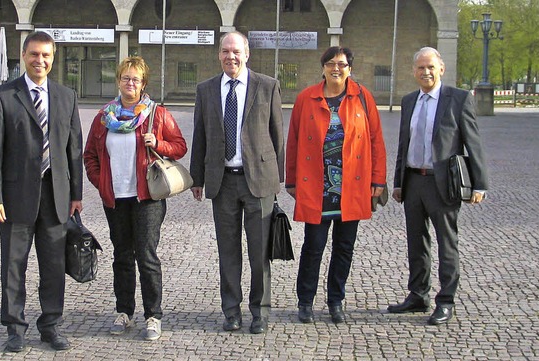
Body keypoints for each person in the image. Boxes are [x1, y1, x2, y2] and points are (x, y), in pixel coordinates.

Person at [0, 31, 82, 352]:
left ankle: (51, 325)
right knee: (13, 265)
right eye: (34, 54)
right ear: (24, 55)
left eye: (46, 56)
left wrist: (76, 194)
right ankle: (15, 328)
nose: (40, 61)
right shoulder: (3, 96)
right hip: (13, 200)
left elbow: (73, 149)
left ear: (53, 59)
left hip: (56, 198)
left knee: (53, 266)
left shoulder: (67, 96)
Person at [84, 56, 187, 341]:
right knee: (121, 255)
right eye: (125, 78)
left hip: (147, 197)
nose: (130, 83)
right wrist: (100, 181)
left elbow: (180, 147)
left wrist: (159, 143)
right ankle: (124, 311)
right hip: (116, 198)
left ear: (143, 84)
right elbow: (90, 155)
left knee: (146, 255)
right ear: (118, 80)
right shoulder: (104, 117)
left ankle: (153, 315)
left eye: (136, 79)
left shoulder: (157, 113)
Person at [189, 31, 284, 334]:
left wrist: (276, 178)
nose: (231, 56)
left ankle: (260, 311)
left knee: (259, 253)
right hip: (223, 183)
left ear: (247, 54)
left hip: (257, 181)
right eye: (225, 51)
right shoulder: (206, 90)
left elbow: (277, 135)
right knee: (227, 252)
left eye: (236, 51)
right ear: (219, 55)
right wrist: (197, 178)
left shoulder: (267, 86)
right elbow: (200, 135)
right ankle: (231, 310)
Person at [285, 46, 387, 324]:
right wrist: (291, 179)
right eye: (331, 63)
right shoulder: (306, 98)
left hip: (351, 187)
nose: (336, 68)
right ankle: (305, 301)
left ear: (349, 69)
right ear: (323, 67)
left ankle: (335, 300)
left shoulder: (362, 97)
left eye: (342, 64)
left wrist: (378, 179)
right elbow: (293, 141)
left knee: (344, 247)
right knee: (313, 246)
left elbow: (376, 140)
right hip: (317, 187)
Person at [388, 47, 489, 325]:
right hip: (413, 181)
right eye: (420, 68)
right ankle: (418, 295)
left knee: (447, 243)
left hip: (443, 183)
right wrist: (398, 182)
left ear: (441, 69)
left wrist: (479, 184)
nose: (426, 72)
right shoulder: (409, 101)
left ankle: (445, 300)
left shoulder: (457, 99)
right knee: (416, 242)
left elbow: (473, 143)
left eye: (431, 67)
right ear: (413, 71)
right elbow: (403, 144)